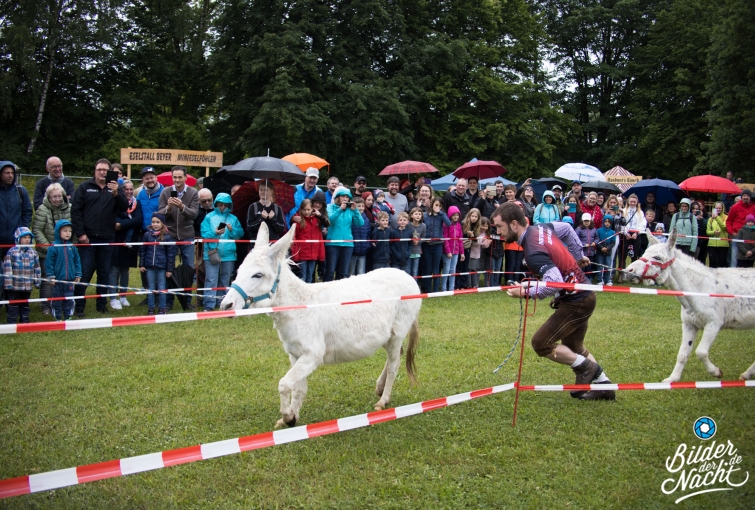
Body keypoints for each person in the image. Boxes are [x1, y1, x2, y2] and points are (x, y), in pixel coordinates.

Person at [492, 202, 615, 401]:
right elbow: (566, 229)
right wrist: (578, 256)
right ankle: (605, 387)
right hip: (583, 295)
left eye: (499, 227)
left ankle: (587, 368)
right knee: (574, 347)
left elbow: (555, 282)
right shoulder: (541, 228)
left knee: (541, 343)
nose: (498, 232)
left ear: (514, 224)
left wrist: (525, 291)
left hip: (577, 301)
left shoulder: (533, 252)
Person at [70, 158, 128, 316]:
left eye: (105, 170)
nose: (102, 172)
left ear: (109, 172)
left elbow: (124, 208)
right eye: (99, 169)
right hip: (87, 238)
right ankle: (79, 306)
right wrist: (80, 233)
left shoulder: (116, 188)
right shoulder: (84, 187)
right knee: (84, 272)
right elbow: (76, 211)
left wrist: (116, 194)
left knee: (104, 273)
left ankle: (101, 305)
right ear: (94, 171)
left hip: (107, 237)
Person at [157, 165, 199, 309]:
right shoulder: (165, 192)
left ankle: (186, 301)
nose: (177, 180)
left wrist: (182, 207)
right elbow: (160, 214)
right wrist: (169, 208)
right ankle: (168, 301)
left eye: (180, 177)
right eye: (174, 177)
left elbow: (194, 214)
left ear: (185, 178)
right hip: (170, 235)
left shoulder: (193, 192)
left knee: (188, 269)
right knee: (168, 268)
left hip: (187, 235)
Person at [32, 183, 72, 315]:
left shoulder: (70, 208)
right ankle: (46, 305)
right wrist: (49, 248)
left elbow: (74, 228)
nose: (57, 199)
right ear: (48, 197)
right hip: (47, 251)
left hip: (65, 250)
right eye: (54, 196)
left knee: (65, 277)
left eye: (59, 196)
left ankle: (63, 303)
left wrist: (71, 246)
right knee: (48, 278)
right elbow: (37, 230)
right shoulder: (42, 209)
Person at [201, 193, 243, 311]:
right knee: (211, 279)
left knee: (225, 279)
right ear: (216, 204)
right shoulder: (209, 217)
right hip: (212, 252)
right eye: (220, 204)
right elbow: (204, 234)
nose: (223, 207)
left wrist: (232, 230)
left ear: (229, 205)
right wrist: (215, 232)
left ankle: (221, 302)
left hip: (229, 254)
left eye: (225, 205)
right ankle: (209, 305)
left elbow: (240, 234)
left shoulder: (233, 219)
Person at [0, 161, 33, 301]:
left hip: (15, 242)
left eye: (12, 173)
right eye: (6, 173)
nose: (10, 175)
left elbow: (27, 211)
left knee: (14, 274)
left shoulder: (21, 191)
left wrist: (22, 231)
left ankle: (12, 305)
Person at [109, 180, 142, 310]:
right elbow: (113, 218)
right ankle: (113, 297)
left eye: (131, 189)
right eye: (126, 189)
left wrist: (122, 225)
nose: (128, 191)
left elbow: (138, 219)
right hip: (115, 239)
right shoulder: (115, 200)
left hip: (129, 241)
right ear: (121, 190)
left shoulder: (136, 203)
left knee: (125, 270)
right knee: (113, 269)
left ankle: (123, 296)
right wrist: (125, 222)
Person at [139, 213, 176, 315]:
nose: (155, 224)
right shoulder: (147, 235)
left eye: (158, 222)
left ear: (162, 223)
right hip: (150, 267)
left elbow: (171, 254)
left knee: (161, 288)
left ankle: (162, 308)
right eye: (153, 222)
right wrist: (142, 264)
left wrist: (169, 269)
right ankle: (151, 308)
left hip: (162, 267)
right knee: (150, 287)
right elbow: (142, 251)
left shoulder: (167, 236)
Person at [3, 227, 40, 324]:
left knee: (25, 304)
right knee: (13, 305)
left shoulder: (33, 253)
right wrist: (8, 284)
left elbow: (37, 268)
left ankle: (24, 320)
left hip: (27, 286)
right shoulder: (12, 252)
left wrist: (37, 281)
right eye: (24, 237)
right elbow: (7, 269)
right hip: (14, 286)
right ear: (18, 238)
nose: (27, 239)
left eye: (29, 237)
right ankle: (12, 321)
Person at [324, 187, 363, 281]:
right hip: (333, 243)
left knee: (344, 273)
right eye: (343, 196)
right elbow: (329, 221)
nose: (345, 198)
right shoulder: (330, 207)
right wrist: (340, 209)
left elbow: (360, 223)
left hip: (348, 244)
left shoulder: (351, 210)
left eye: (347, 197)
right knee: (330, 271)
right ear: (338, 197)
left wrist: (355, 211)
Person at [45, 219, 81, 321]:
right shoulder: (53, 247)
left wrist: (78, 274)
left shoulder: (72, 247)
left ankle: (68, 316)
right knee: (57, 299)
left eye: (70, 231)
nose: (68, 233)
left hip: (69, 280)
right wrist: (50, 276)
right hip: (57, 280)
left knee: (69, 299)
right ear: (58, 231)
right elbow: (49, 263)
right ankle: (58, 317)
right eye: (65, 231)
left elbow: (77, 261)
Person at [291, 199, 325, 283]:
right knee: (302, 276)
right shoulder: (298, 220)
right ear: (301, 209)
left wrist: (320, 215)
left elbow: (326, 223)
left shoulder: (317, 219)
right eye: (304, 210)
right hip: (302, 254)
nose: (306, 212)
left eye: (308, 209)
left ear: (312, 209)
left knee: (310, 276)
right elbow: (294, 237)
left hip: (313, 253)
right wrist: (295, 254)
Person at [422, 197, 451, 292]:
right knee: (428, 268)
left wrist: (441, 213)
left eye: (440, 206)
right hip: (426, 245)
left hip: (438, 245)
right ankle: (427, 289)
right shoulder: (425, 215)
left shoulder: (441, 215)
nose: (437, 207)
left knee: (436, 268)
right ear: (432, 204)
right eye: (436, 205)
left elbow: (449, 224)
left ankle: (435, 290)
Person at [726, 189, 754, 268]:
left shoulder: (754, 208)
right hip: (737, 237)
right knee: (734, 261)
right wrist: (731, 232)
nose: (745, 197)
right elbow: (728, 221)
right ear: (742, 197)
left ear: (750, 197)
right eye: (744, 195)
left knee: (748, 261)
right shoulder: (735, 207)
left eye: (747, 196)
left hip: (749, 239)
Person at [441, 206, 464, 291]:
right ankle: (444, 289)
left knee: (453, 270)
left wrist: (462, 253)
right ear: (450, 215)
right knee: (446, 270)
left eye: (457, 215)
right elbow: (445, 239)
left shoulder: (459, 225)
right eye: (454, 215)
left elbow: (460, 239)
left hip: (456, 251)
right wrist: (448, 252)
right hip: (447, 252)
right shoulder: (445, 225)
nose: (455, 217)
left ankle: (451, 288)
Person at [620, 193, 646, 266]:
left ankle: (633, 271)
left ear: (637, 202)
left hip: (636, 235)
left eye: (634, 202)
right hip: (626, 234)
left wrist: (637, 233)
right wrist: (625, 233)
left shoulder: (640, 212)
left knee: (634, 256)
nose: (632, 203)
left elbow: (642, 224)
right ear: (628, 202)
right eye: (631, 201)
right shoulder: (623, 211)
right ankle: (621, 272)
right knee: (623, 256)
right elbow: (622, 223)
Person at [349, 197, 371, 276]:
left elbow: (368, 234)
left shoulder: (367, 220)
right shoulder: (350, 218)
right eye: (359, 206)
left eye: (362, 206)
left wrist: (367, 245)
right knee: (351, 273)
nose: (361, 208)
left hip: (363, 251)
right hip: (352, 251)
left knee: (361, 273)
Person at [575, 213, 598, 283]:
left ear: (590, 221)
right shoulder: (579, 229)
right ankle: (580, 280)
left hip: (591, 253)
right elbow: (575, 239)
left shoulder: (593, 229)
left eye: (588, 221)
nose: (586, 222)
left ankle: (588, 280)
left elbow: (597, 238)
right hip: (582, 253)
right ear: (582, 221)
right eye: (585, 221)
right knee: (582, 267)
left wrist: (595, 242)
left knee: (589, 267)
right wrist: (583, 244)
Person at [706, 201, 729, 269]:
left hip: (723, 244)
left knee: (722, 262)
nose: (718, 209)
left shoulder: (726, 217)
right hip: (712, 244)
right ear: (714, 209)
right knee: (712, 262)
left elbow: (724, 228)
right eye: (716, 208)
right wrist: (713, 232)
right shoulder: (710, 219)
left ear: (722, 209)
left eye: (720, 208)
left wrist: (717, 218)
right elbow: (707, 232)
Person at [595, 215, 616, 285]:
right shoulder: (599, 231)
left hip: (608, 252)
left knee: (607, 266)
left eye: (609, 222)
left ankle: (607, 280)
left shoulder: (612, 232)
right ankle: (599, 280)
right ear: (603, 222)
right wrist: (601, 248)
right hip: (600, 252)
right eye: (606, 221)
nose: (607, 223)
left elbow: (613, 243)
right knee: (599, 266)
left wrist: (607, 248)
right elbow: (597, 241)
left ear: (611, 223)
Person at [408, 207, 426, 279]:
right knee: (408, 271)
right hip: (409, 251)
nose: (418, 216)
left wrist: (419, 241)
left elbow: (423, 237)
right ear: (411, 215)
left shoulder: (423, 226)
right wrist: (412, 240)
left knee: (415, 271)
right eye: (416, 214)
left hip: (417, 251)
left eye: (419, 214)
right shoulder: (408, 225)